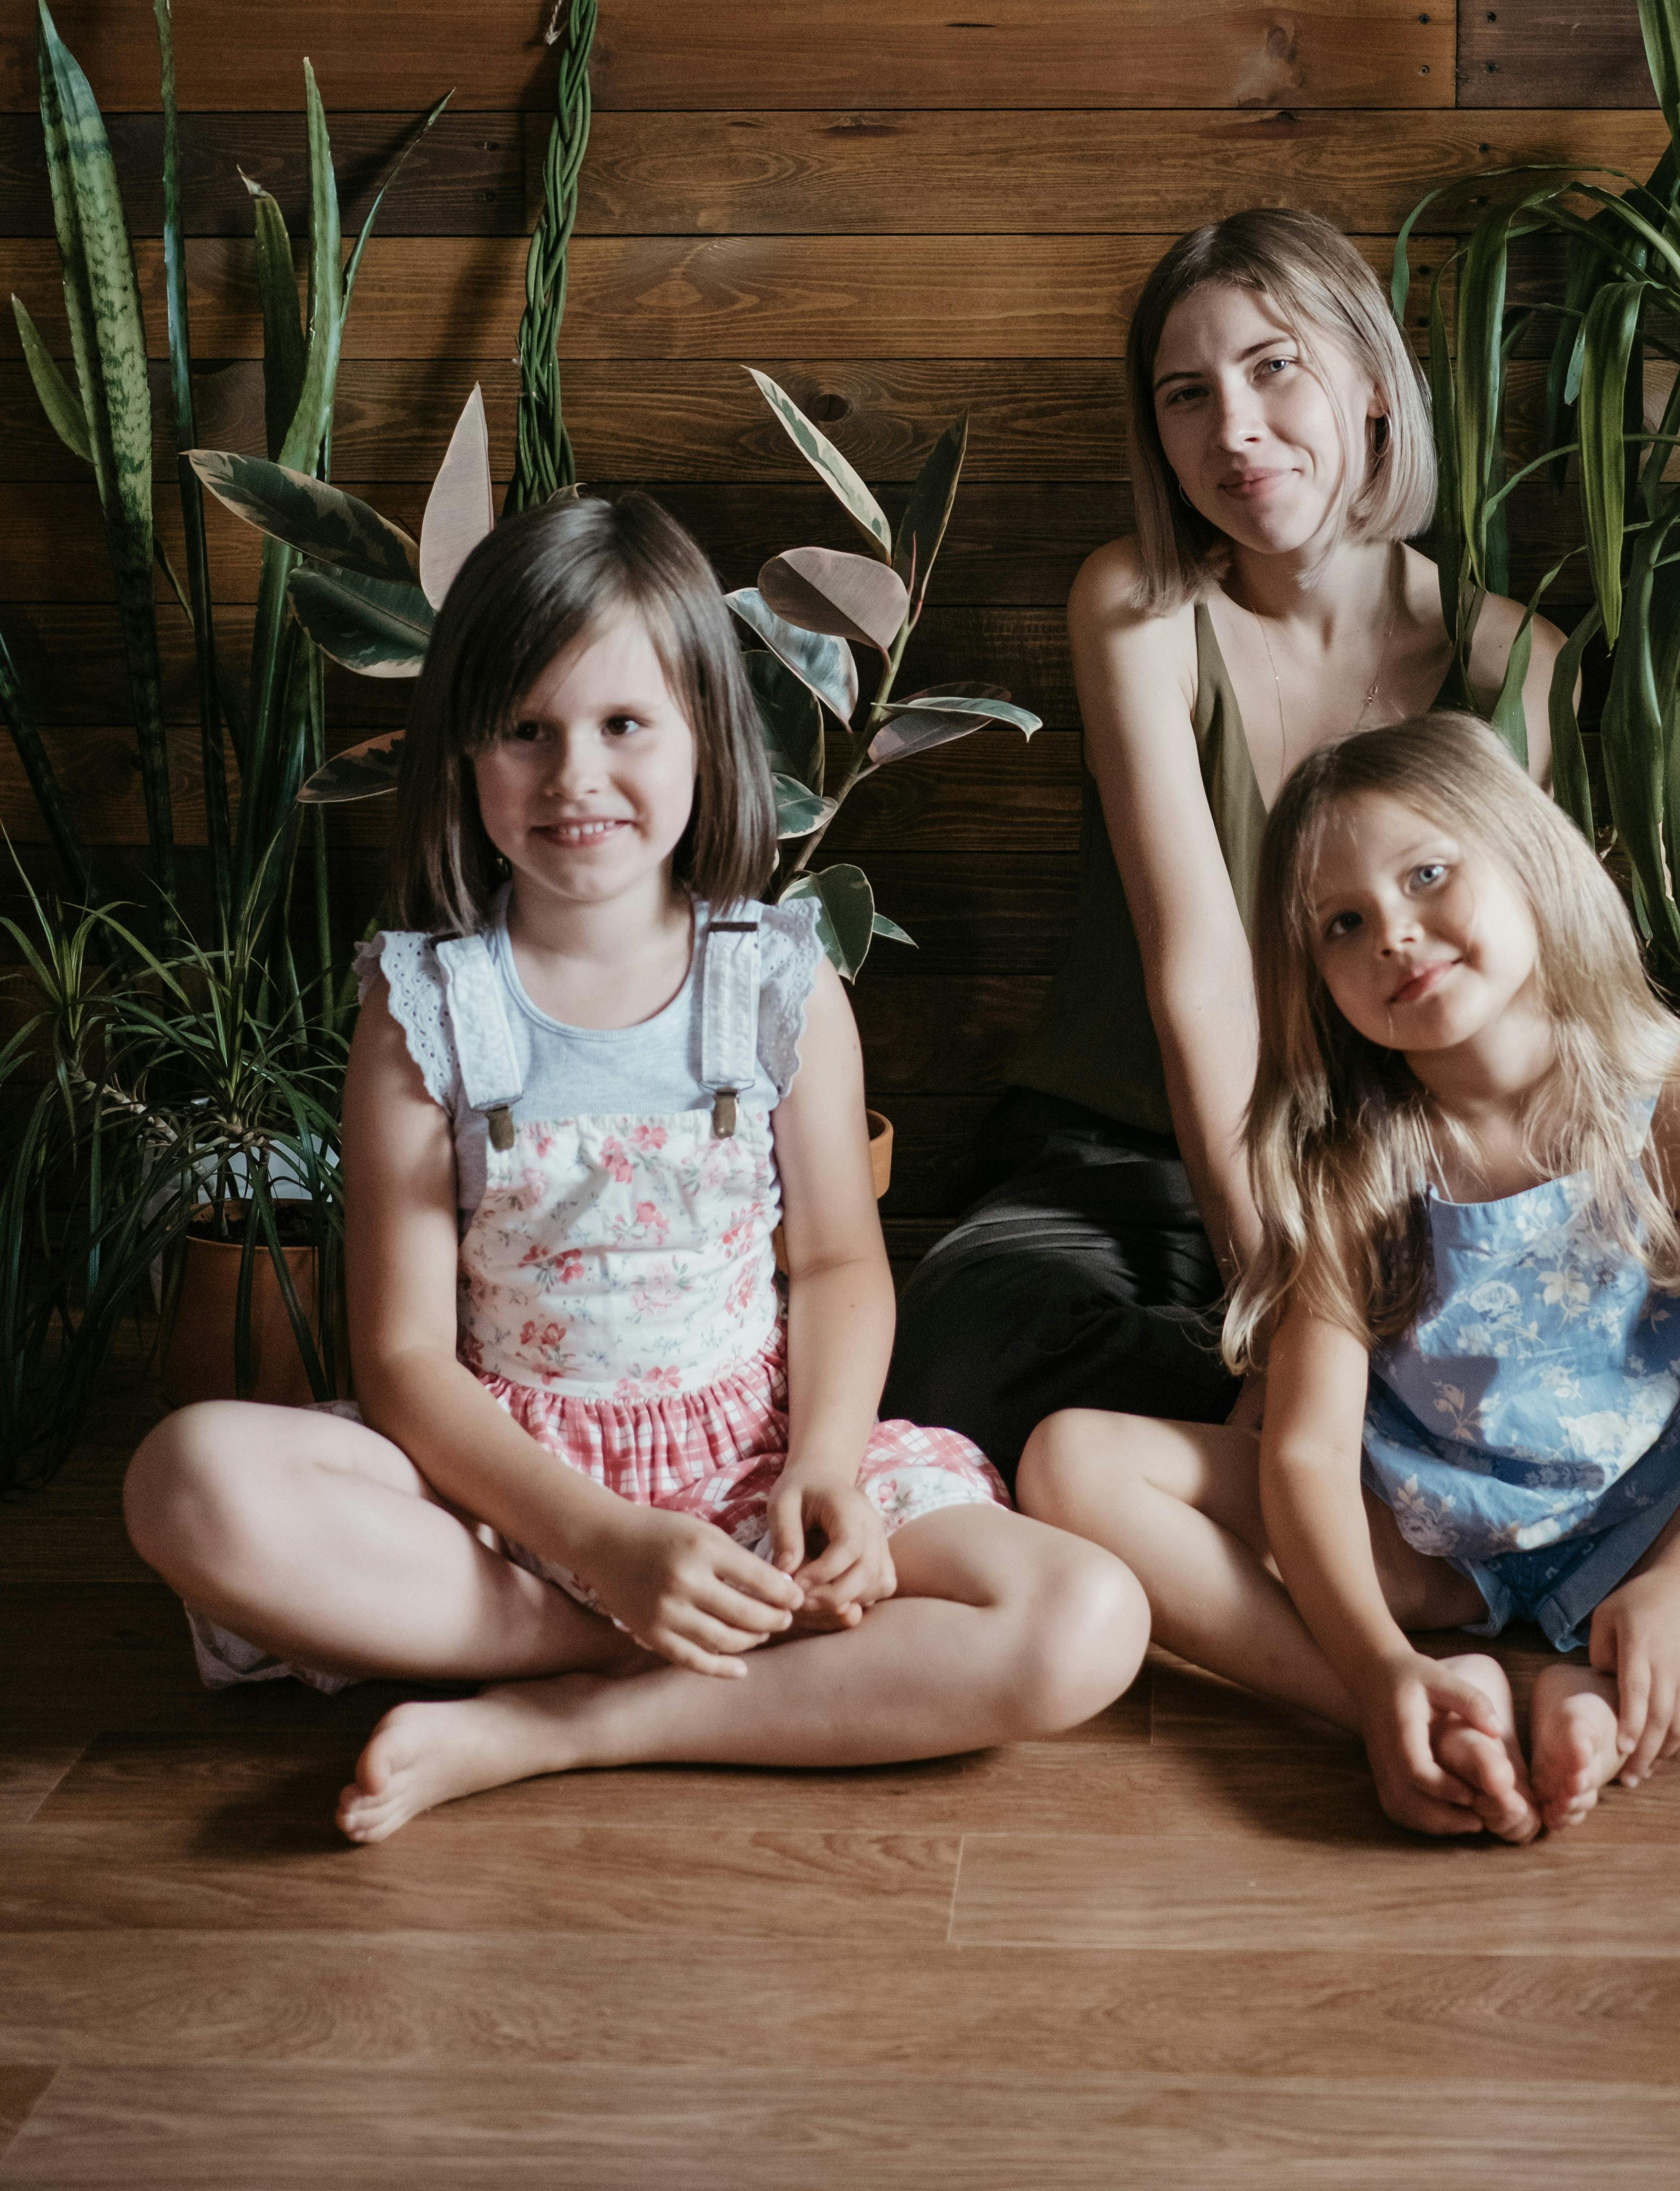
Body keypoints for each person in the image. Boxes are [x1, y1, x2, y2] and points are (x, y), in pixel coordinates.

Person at [124, 493, 1148, 1842]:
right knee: (185, 1480)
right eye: (526, 731)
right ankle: (646, 1642)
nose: (573, 778)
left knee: (1088, 1619)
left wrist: (827, 1468)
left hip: (750, 1467)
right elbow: (407, 1364)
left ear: (704, 741)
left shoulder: (778, 981)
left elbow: (839, 1262)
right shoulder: (425, 1007)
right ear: (464, 757)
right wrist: (603, 1551)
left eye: (622, 725)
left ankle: (567, 1721)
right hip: (509, 1490)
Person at [1018, 712, 1680, 1841]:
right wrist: (1372, 1661)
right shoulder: (1344, 1155)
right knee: (1073, 1461)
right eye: (1342, 924)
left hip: (1648, 1509)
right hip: (1416, 1536)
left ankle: (1628, 1709)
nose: (1394, 936)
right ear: (1313, 977)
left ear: (1529, 858)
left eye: (1426, 874)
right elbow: (1306, 1453)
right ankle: (1390, 1708)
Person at [887, 208, 1561, 1484]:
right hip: (1126, 1152)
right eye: (1184, 396)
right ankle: (1334, 1465)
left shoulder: (1516, 668)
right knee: (956, 1350)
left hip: (1391, 1151)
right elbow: (1196, 968)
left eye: (1272, 368)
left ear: (1369, 384)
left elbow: (1509, 998)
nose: (1233, 431)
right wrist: (1273, 1293)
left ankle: (1243, 1478)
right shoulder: (1136, 610)